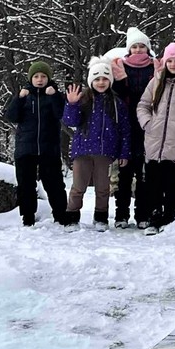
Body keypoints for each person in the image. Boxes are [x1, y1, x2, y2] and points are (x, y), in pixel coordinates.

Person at [62, 56, 132, 231]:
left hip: (106, 152)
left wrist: (124, 153)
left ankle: (100, 217)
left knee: (103, 188)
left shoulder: (117, 103)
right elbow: (70, 121)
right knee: (78, 187)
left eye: (105, 79)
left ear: (110, 81)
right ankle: (71, 216)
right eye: (97, 79)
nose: (101, 83)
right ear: (91, 80)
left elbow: (125, 130)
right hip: (82, 151)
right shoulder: (83, 99)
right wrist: (71, 104)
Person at [137, 43, 175, 235]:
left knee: (172, 186)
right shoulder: (156, 82)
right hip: (154, 143)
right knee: (153, 185)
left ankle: (169, 217)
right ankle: (154, 217)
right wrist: (147, 123)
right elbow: (143, 105)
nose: (173, 64)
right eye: (169, 60)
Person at [5, 60, 67, 226]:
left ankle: (61, 216)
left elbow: (61, 114)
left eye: (43, 76)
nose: (40, 79)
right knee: (25, 185)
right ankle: (28, 218)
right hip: (26, 148)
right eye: (36, 76)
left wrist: (54, 96)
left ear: (49, 78)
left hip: (49, 148)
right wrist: (19, 98)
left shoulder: (55, 95)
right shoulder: (24, 95)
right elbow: (11, 116)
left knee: (54, 184)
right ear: (31, 78)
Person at [110, 27, 156, 228]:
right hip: (125, 124)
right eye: (134, 46)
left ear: (148, 49)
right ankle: (121, 215)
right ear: (129, 49)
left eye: (142, 47)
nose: (138, 50)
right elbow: (114, 96)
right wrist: (120, 81)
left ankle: (143, 214)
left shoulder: (156, 67)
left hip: (147, 124)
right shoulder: (119, 67)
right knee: (124, 173)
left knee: (143, 173)